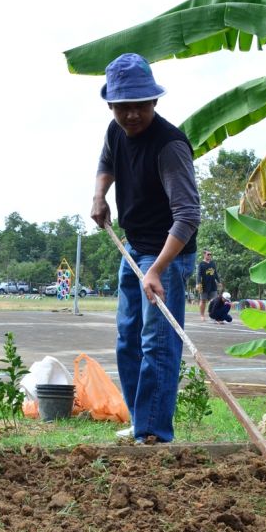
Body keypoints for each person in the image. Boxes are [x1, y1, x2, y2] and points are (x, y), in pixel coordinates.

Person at [90, 53, 201, 444]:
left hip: (167, 253)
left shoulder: (169, 146)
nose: (131, 114)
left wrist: (157, 269)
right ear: (111, 105)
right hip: (133, 247)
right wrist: (100, 196)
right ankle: (141, 422)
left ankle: (154, 433)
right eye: (123, 106)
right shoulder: (115, 130)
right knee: (128, 337)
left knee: (158, 343)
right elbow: (107, 162)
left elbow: (188, 217)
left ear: (154, 101)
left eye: (139, 105)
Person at [196, 250, 221, 320]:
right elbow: (198, 275)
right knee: (203, 300)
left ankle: (213, 315)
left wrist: (219, 282)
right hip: (204, 285)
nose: (209, 255)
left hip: (213, 285)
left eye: (210, 254)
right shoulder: (201, 264)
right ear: (204, 255)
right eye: (208, 254)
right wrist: (198, 283)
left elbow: (215, 273)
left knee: (215, 301)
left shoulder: (213, 263)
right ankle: (202, 316)